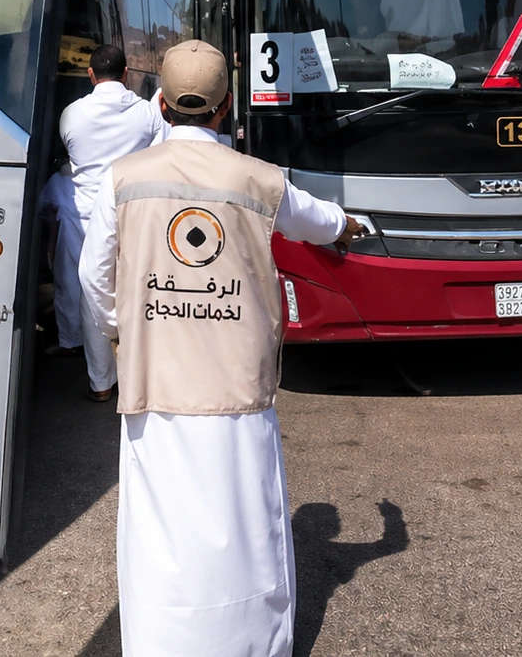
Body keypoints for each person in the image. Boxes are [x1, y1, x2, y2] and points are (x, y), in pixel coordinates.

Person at [79, 39, 363, 656]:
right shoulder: (258, 178)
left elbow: (92, 277)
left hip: (156, 385)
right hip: (236, 386)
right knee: (245, 529)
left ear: (160, 103)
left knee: (160, 533)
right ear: (226, 105)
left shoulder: (121, 179)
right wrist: (350, 224)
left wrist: (126, 332)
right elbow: (318, 220)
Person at [50, 43, 165, 402]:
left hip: (83, 218)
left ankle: (99, 382)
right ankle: (139, 375)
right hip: (131, 216)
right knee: (137, 292)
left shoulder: (71, 114)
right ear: (126, 73)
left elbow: (71, 156)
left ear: (90, 75)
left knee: (83, 292)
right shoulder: (147, 114)